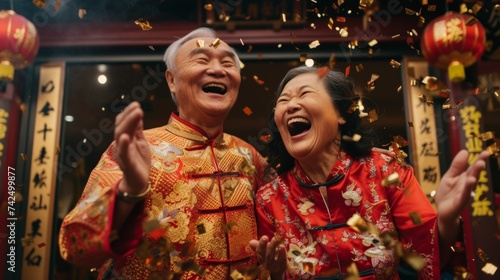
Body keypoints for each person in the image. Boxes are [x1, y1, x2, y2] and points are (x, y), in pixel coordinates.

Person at [59, 27, 272, 279]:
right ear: (172, 80)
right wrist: (129, 190)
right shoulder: (139, 149)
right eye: (202, 60)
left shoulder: (250, 156)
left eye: (228, 62)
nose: (218, 70)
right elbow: (76, 248)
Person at [249, 66, 490, 279]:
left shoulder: (386, 171)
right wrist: (276, 273)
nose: (291, 105)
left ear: (341, 113)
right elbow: (267, 271)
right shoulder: (269, 199)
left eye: (305, 94)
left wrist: (447, 221)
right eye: (283, 100)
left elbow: (425, 256)